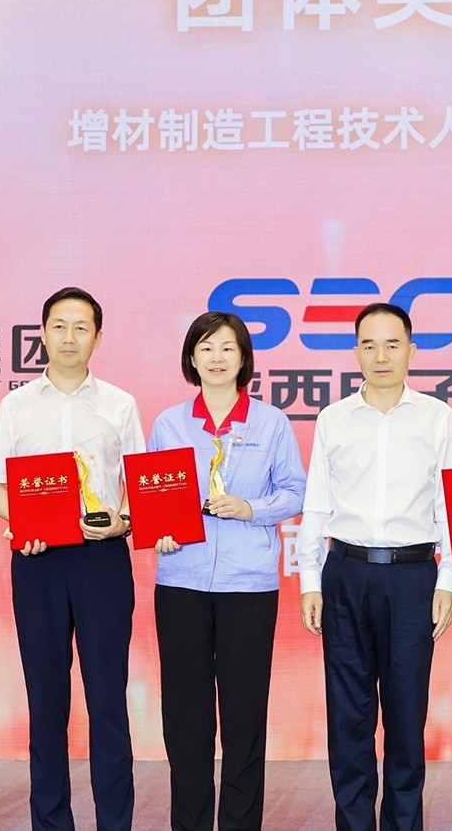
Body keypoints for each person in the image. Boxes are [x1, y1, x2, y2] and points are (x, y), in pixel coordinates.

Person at [296, 302, 452, 831]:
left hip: (413, 577)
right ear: (355, 353)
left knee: (407, 717)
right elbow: (317, 503)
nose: (381, 355)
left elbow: (450, 506)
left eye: (392, 344)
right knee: (348, 716)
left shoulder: (436, 417)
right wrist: (309, 580)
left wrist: (448, 579)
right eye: (369, 345)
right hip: (344, 573)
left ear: (412, 351)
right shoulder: (334, 418)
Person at [0, 287, 144, 831]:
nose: (69, 337)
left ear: (98, 338)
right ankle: (51, 822)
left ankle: (114, 822)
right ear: (42, 334)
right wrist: (24, 522)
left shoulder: (120, 404)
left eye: (81, 327)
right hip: (38, 560)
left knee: (107, 699)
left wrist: (124, 520)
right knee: (46, 700)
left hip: (102, 560)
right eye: (59, 326)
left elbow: (138, 483)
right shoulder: (16, 405)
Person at [148, 311, 307, 831]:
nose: (216, 358)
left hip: (248, 586)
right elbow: (152, 496)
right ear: (191, 358)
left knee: (244, 716)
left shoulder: (271, 422)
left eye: (227, 348)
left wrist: (250, 509)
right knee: (185, 717)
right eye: (206, 347)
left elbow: (296, 492)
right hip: (182, 582)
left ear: (244, 359)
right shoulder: (169, 423)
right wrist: (159, 529)